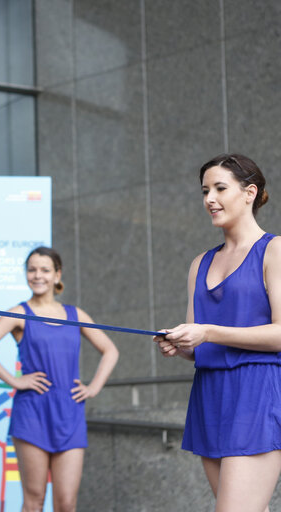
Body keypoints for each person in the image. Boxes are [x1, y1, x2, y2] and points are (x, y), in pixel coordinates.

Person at [154, 154, 281, 512]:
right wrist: (180, 345)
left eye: (220, 188)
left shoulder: (274, 250)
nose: (209, 198)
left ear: (249, 192)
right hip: (209, 394)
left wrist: (207, 331)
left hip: (257, 392)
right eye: (205, 190)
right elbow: (199, 340)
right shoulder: (200, 263)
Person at [0, 246, 118, 512]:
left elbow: (110, 350)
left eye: (45, 270)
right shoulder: (19, 313)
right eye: (32, 270)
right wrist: (15, 381)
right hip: (32, 415)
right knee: (34, 500)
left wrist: (93, 387)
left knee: (66, 503)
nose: (38, 276)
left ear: (57, 275)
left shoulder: (75, 315)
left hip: (69, 415)